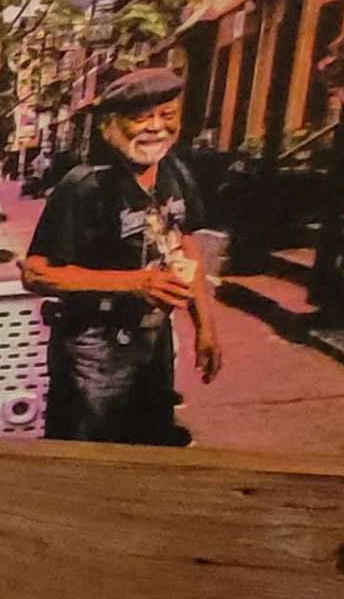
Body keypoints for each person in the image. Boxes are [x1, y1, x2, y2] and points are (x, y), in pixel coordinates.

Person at [20, 68, 225, 444]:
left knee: (148, 447)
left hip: (153, 342)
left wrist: (205, 327)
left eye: (167, 115)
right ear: (110, 126)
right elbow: (36, 273)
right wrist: (134, 282)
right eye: (141, 118)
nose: (156, 128)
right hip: (94, 349)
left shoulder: (175, 172)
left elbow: (185, 244)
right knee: (87, 455)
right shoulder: (84, 185)